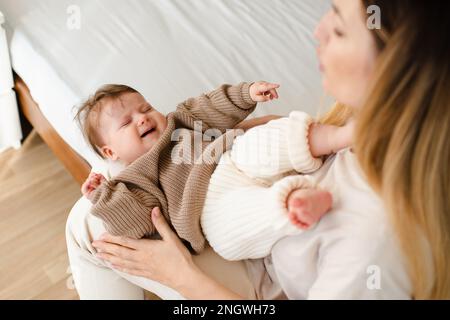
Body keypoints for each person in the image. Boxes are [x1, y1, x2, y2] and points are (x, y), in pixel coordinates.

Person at [70, 0, 450, 299]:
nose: (317, 32)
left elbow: (206, 107)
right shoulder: (370, 126)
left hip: (265, 275)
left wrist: (181, 278)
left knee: (86, 225)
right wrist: (240, 134)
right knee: (93, 213)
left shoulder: (374, 242)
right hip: (237, 210)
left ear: (394, 72)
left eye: (337, 28)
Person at [76, 80, 352, 261]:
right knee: (226, 236)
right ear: (110, 153)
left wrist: (245, 93)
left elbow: (209, 106)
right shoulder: (132, 182)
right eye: (126, 122)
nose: (142, 118)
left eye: (145, 108)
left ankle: (337, 137)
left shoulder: (180, 121)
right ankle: (293, 206)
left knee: (265, 139)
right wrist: (103, 197)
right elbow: (136, 224)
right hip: (209, 205)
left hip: (231, 156)